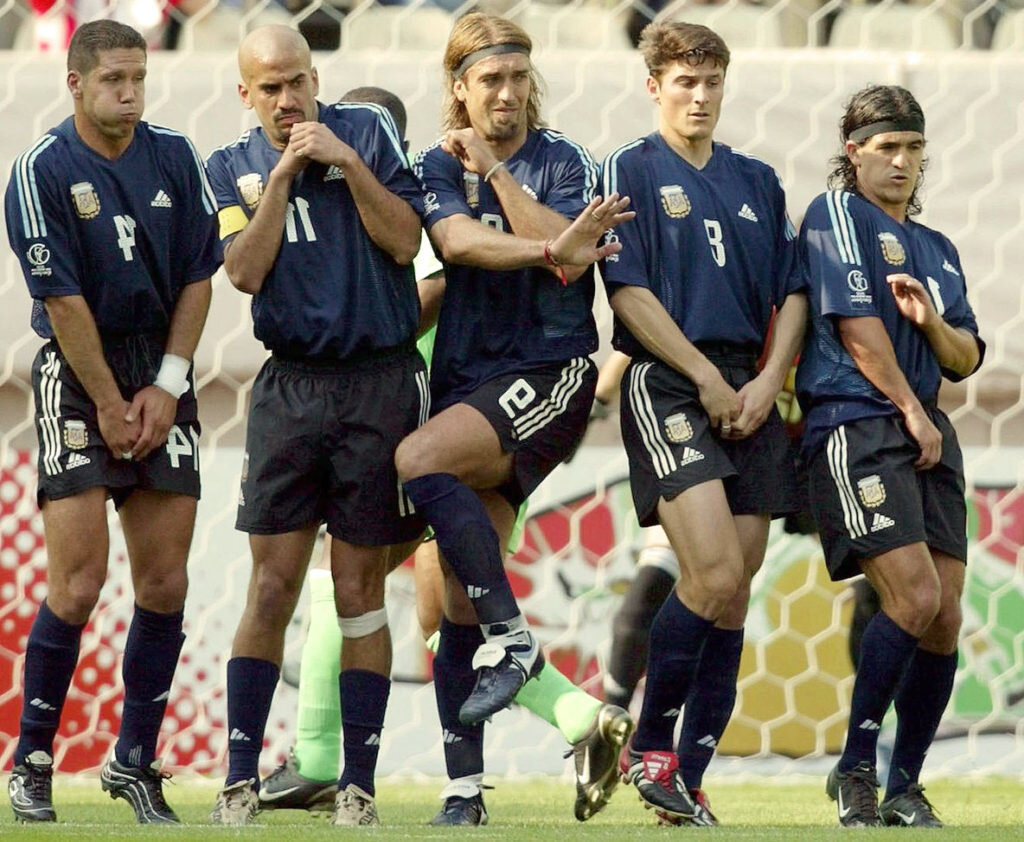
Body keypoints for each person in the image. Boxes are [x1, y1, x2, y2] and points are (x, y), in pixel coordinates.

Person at [396, 11, 636, 826]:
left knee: (417, 461)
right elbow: (456, 243)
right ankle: (464, 793)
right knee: (455, 605)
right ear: (459, 87)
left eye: (517, 78)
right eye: (490, 79)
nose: (506, 92)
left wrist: (500, 174)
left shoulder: (564, 158)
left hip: (549, 373)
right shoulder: (433, 164)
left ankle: (519, 643)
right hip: (469, 386)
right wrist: (550, 246)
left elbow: (567, 257)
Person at [203, 27, 430, 827]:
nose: (288, 99)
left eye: (297, 81)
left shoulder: (368, 131)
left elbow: (406, 240)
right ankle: (239, 780)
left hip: (379, 384)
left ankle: (357, 786)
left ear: (315, 78)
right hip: (290, 388)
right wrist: (282, 179)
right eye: (270, 87)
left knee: (359, 590)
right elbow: (243, 272)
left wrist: (350, 164)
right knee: (271, 586)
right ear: (246, 94)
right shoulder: (229, 166)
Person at [3, 20, 218, 825]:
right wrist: (105, 400)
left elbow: (200, 275)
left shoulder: (176, 155)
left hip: (162, 369)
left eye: (138, 79)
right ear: (75, 83)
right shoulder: (42, 170)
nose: (130, 94)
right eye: (113, 81)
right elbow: (61, 301)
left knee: (165, 583)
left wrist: (167, 383)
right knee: (79, 583)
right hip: (76, 376)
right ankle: (31, 762)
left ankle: (134, 760)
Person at [601, 21, 806, 826]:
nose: (699, 96)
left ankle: (685, 781)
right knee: (714, 575)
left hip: (750, 390)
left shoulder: (756, 180)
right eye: (684, 82)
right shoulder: (631, 168)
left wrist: (767, 381)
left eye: (711, 81)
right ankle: (649, 746)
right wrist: (707, 378)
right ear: (654, 86)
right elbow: (627, 294)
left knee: (733, 596)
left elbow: (793, 293)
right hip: (671, 381)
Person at [795, 84, 984, 828]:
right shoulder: (837, 215)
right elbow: (855, 330)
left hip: (928, 429)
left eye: (913, 149)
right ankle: (854, 769)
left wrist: (931, 322)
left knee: (944, 617)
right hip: (860, 421)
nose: (901, 162)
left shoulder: (939, 250)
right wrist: (910, 409)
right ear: (855, 152)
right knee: (911, 597)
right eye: (886, 148)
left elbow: (965, 356)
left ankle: (904, 784)